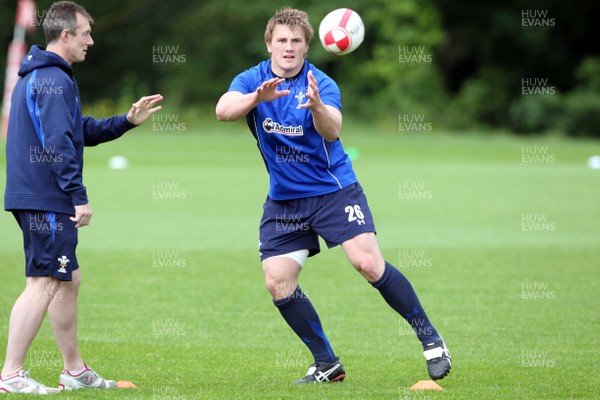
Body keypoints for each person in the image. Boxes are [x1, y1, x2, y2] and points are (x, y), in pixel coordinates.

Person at [216, 7, 451, 384]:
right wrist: (255, 99)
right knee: (278, 281)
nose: (288, 47)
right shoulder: (251, 79)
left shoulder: (320, 83)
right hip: (284, 201)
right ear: (269, 44)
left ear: (308, 46)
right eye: (282, 41)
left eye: (296, 41)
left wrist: (317, 107)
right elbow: (223, 110)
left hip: (334, 192)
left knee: (368, 264)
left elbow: (332, 130)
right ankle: (326, 362)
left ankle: (431, 340)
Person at [1, 1, 162, 394]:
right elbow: (58, 144)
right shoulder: (53, 78)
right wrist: (78, 196)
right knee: (42, 281)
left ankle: (73, 370)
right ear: (66, 34)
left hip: (35, 194)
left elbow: (77, 130)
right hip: (47, 196)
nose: (91, 40)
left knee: (67, 278)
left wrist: (125, 121)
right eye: (86, 33)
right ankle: (10, 374)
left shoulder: (46, 75)